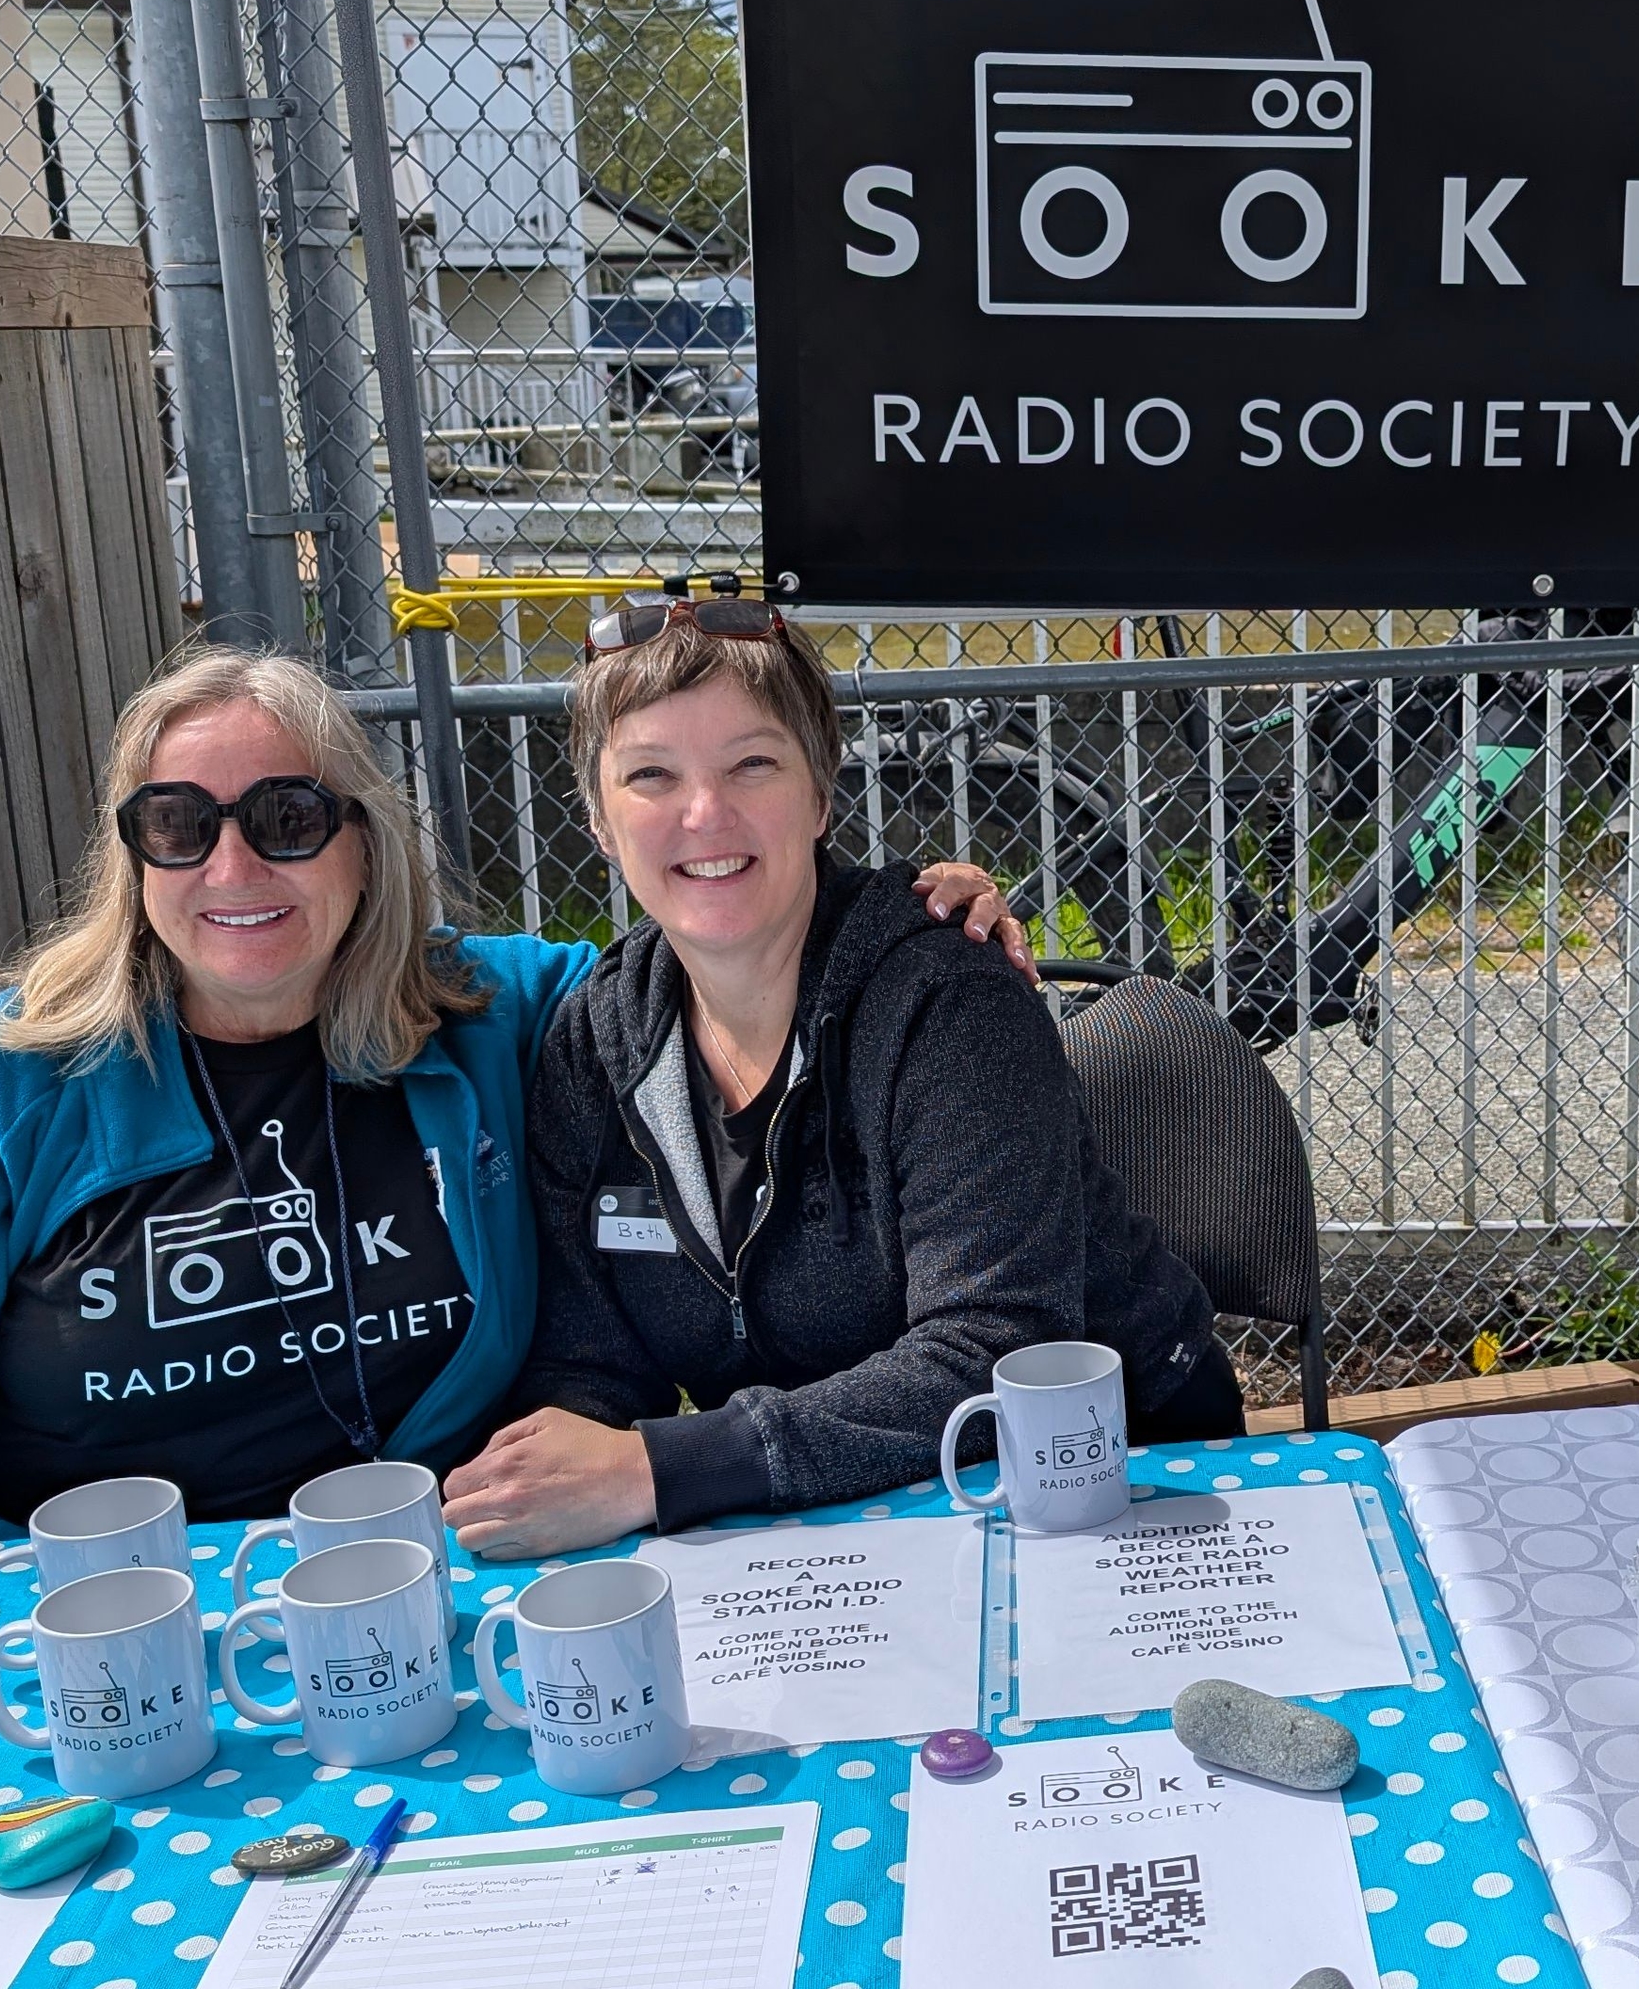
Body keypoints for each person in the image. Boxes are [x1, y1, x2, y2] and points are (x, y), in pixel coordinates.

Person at [0, 641, 1027, 1555]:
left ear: (362, 840)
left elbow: (716, 944)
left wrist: (900, 916)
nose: (233, 864)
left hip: (428, 1583)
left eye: (287, 816)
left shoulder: (487, 1015)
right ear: (134, 856)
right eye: (178, 823)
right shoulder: (23, 1077)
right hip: (103, 1619)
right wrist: (47, 1633)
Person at [440, 598, 1238, 1558]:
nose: (705, 813)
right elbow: (586, 1363)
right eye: (651, 774)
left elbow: (995, 1348)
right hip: (823, 1518)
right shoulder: (593, 1042)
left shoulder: (946, 997)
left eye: (752, 764)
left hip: (1115, 1477)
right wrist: (557, 1476)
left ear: (821, 794)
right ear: (601, 821)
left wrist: (663, 1468)